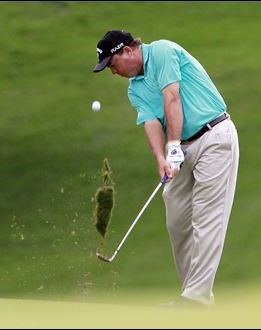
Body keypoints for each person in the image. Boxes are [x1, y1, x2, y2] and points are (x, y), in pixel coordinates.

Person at [93, 29, 239, 307]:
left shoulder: (162, 51)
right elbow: (150, 122)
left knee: (206, 218)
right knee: (177, 219)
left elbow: (172, 97)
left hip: (214, 137)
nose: (112, 72)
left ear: (127, 51)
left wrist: (172, 146)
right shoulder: (134, 88)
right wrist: (162, 158)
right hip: (182, 148)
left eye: (111, 65)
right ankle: (194, 297)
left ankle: (195, 300)